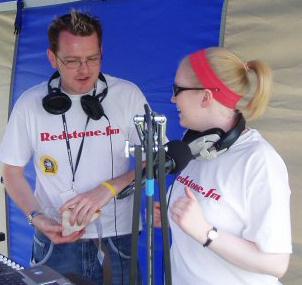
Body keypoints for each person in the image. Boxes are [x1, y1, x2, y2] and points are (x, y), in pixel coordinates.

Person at [0, 10, 148, 285]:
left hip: (117, 239)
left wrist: (108, 189)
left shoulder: (128, 95)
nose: (85, 69)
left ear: (101, 51)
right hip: (54, 242)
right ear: (52, 58)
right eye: (72, 61)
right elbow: (11, 171)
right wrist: (36, 217)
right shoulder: (29, 104)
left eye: (93, 58)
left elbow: (157, 159)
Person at [155, 47, 292, 284]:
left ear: (206, 97)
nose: (173, 99)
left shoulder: (259, 161)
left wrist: (206, 233)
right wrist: (170, 216)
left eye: (177, 90)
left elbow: (277, 263)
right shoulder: (196, 147)